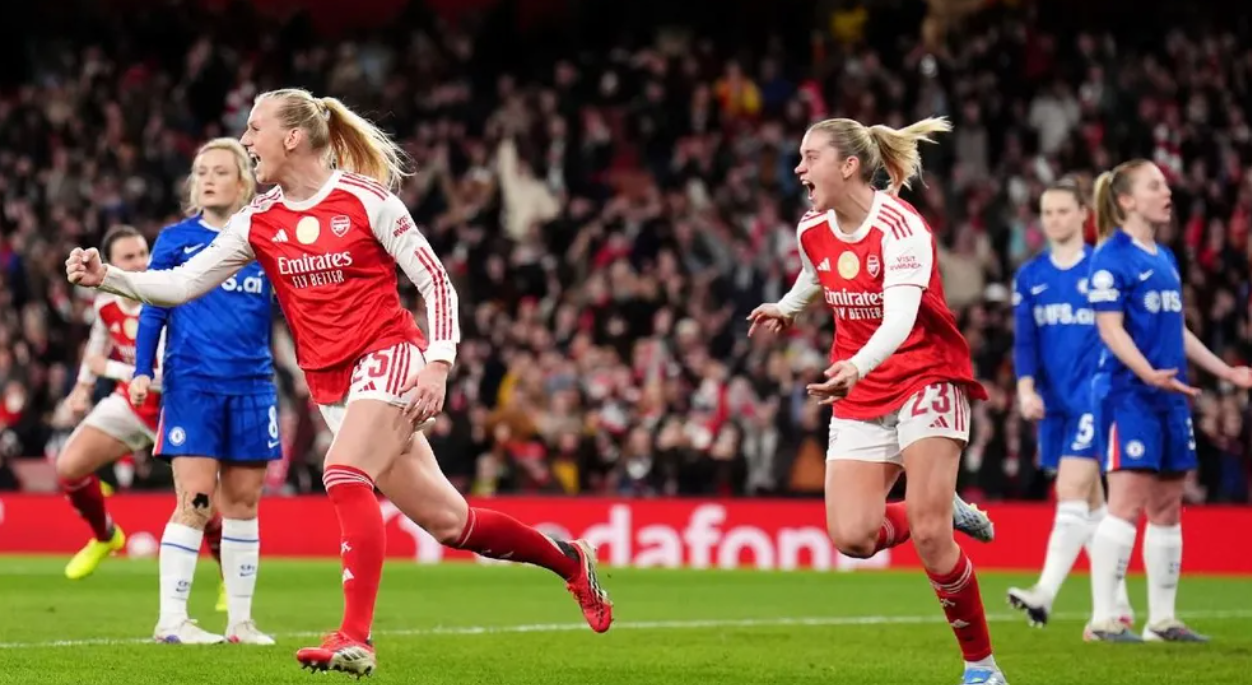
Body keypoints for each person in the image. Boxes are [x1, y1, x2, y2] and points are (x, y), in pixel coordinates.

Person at [65, 87, 611, 677]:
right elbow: (180, 285)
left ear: (292, 136)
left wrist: (438, 362)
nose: (246, 140)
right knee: (453, 524)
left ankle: (355, 637)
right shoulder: (259, 220)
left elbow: (436, 283)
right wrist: (109, 276)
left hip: (390, 355)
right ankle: (570, 561)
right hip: (332, 384)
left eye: (254, 128)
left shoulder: (367, 201)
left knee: (343, 472)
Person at [746, 116, 1006, 685]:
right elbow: (816, 274)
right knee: (853, 537)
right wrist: (788, 307)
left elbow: (901, 317)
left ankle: (982, 668)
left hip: (925, 374)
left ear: (848, 166)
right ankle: (937, 504)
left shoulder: (901, 226)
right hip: (862, 384)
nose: (798, 168)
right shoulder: (811, 226)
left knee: (932, 538)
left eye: (810, 157)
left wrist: (857, 365)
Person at [1084, 159, 1252, 642]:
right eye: (1155, 185)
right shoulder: (1110, 257)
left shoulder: (1164, 257)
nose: (1167, 192)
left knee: (1168, 504)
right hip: (1129, 394)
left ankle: (1162, 621)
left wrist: (1225, 370)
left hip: (1169, 395)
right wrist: (1146, 373)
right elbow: (1110, 329)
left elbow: (1177, 330)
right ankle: (1102, 620)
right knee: (1126, 501)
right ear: (1127, 200)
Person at [131, 138, 277, 645]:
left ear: (243, 182)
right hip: (193, 384)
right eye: (201, 172)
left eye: (219, 171)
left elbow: (294, 310)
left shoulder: (265, 240)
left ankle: (240, 622)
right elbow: (153, 306)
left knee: (244, 504)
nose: (208, 179)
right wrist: (142, 369)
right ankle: (171, 620)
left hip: (253, 386)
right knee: (195, 499)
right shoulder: (176, 239)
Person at [1006, 182, 1135, 630]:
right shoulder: (1030, 277)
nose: (1054, 219)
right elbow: (1025, 342)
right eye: (1047, 212)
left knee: (1070, 490)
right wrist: (1026, 390)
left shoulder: (1103, 270)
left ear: (1083, 214)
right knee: (1093, 506)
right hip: (1054, 404)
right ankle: (1118, 607)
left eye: (1063, 211)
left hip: (1096, 396)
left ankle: (1044, 593)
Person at [56, 226, 212, 579]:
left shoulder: (167, 301)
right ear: (110, 265)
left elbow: (166, 374)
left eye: (144, 253)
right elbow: (98, 344)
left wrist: (109, 369)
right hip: (131, 404)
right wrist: (83, 387)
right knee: (69, 467)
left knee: (201, 502)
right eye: (129, 257)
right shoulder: (106, 302)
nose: (141, 263)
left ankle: (226, 580)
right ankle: (106, 536)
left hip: (176, 409)